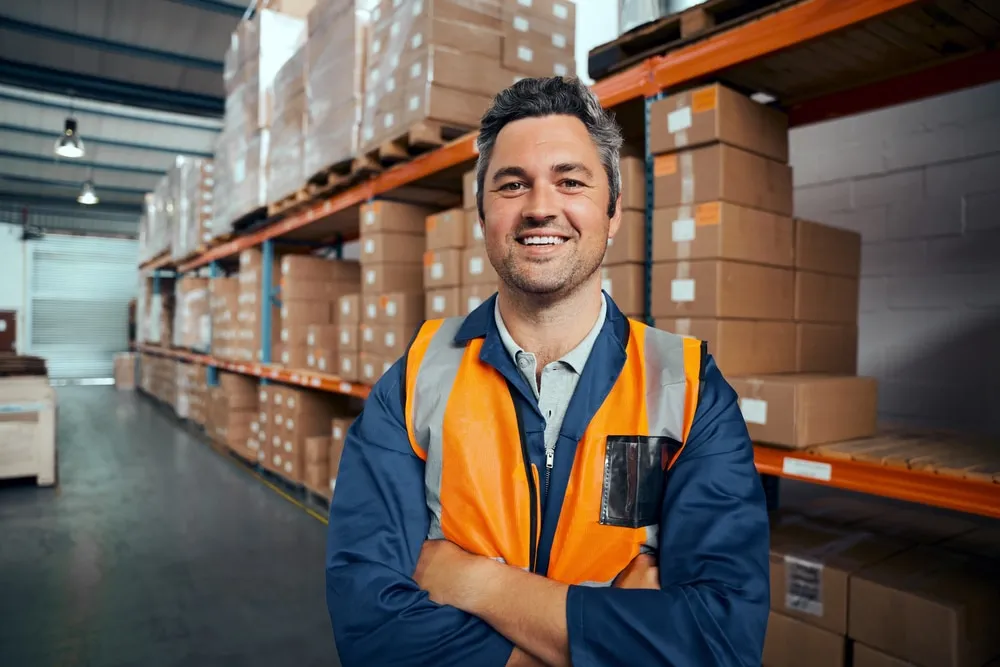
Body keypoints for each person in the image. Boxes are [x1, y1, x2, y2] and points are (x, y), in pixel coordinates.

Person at [325, 76, 770, 667]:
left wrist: (478, 584)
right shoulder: (415, 380)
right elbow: (369, 628)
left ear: (612, 212)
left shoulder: (687, 388)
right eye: (512, 184)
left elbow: (722, 642)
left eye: (570, 181)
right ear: (482, 214)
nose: (540, 206)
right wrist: (611, 633)